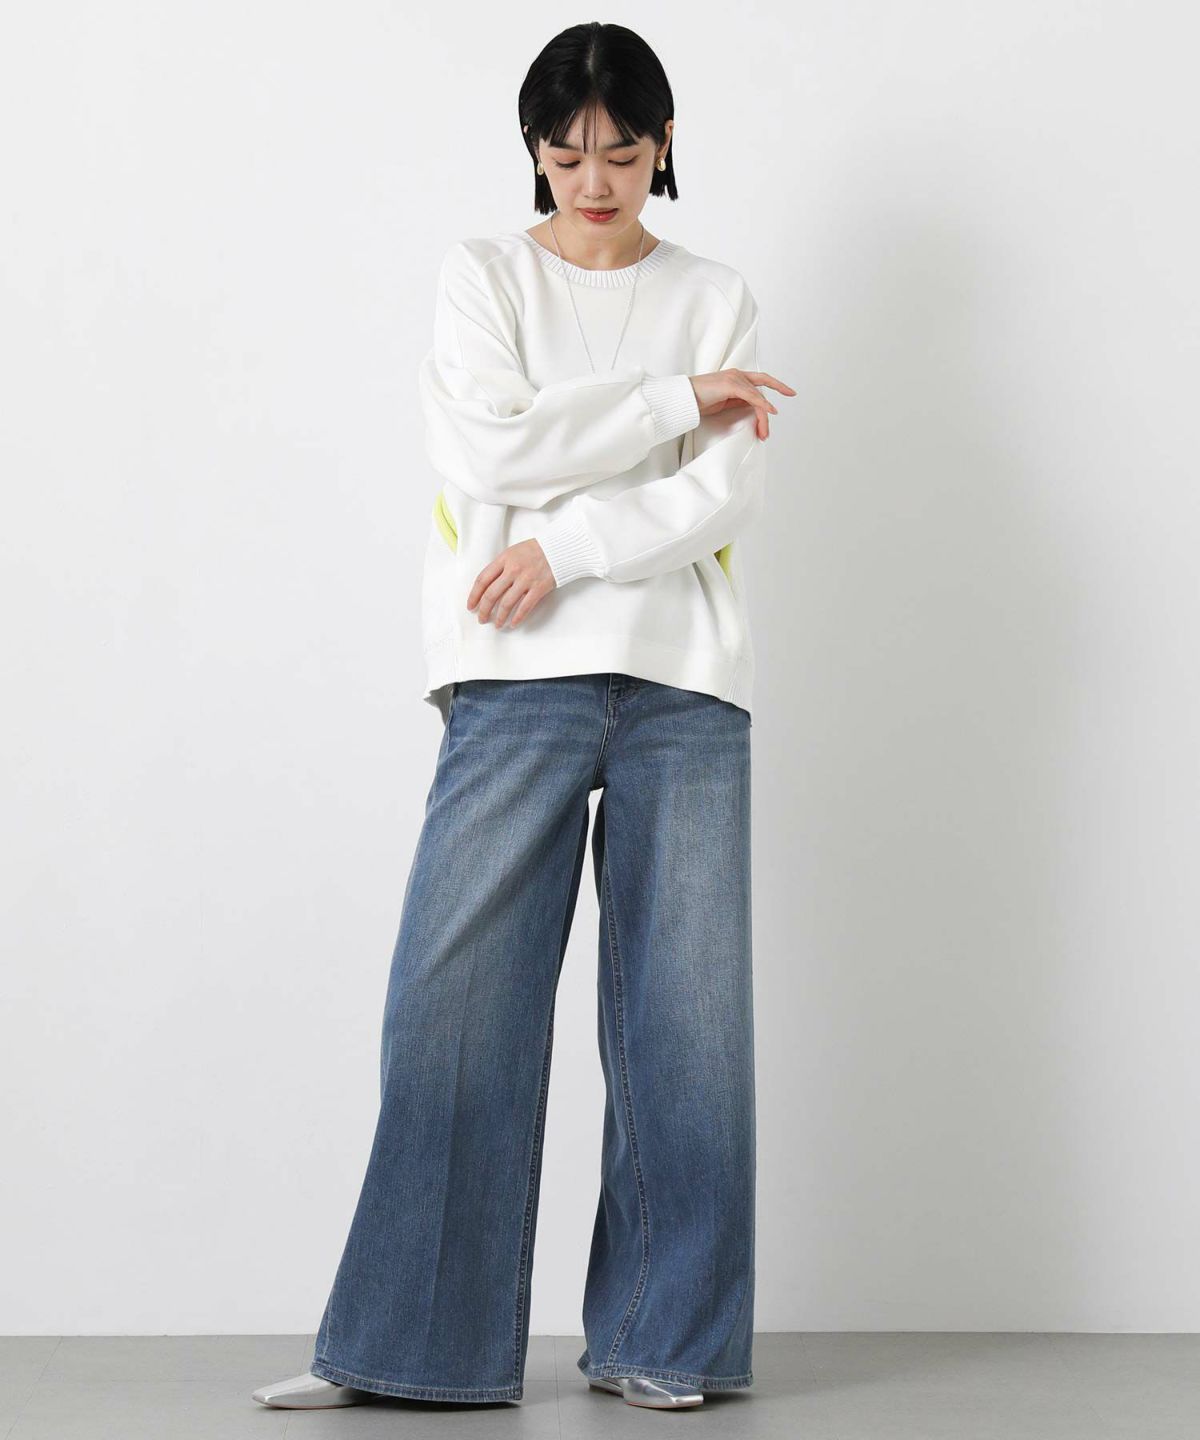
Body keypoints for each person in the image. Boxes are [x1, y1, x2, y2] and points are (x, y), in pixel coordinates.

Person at [253, 20, 794, 1415]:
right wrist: (672, 402)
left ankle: (666, 1342)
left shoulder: (717, 294)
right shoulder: (483, 275)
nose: (595, 181)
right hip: (511, 674)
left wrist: (563, 545)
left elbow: (720, 493)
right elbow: (485, 442)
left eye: (622, 152)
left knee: (687, 1029)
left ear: (664, 145)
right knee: (455, 1007)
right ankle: (409, 1349)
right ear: (535, 153)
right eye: (567, 155)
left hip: (684, 678)